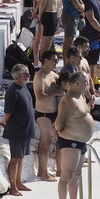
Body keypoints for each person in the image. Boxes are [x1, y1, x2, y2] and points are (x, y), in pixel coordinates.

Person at [54, 71, 95, 199]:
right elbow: (59, 123)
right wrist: (58, 130)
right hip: (70, 141)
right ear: (76, 83)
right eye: (85, 81)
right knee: (66, 176)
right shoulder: (68, 101)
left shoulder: (81, 97)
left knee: (76, 175)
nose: (87, 83)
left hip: (80, 142)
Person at [0, 65, 36, 196]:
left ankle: (18, 182)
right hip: (17, 130)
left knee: (21, 158)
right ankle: (13, 186)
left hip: (26, 129)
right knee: (15, 158)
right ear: (18, 75)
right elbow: (8, 112)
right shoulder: (12, 90)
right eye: (26, 74)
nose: (28, 76)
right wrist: (3, 122)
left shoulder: (24, 87)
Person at [33, 50, 63, 181]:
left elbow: (63, 87)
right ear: (45, 61)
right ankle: (43, 172)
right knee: (45, 143)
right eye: (54, 60)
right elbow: (40, 96)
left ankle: (49, 170)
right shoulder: (39, 76)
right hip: (43, 113)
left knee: (51, 142)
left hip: (53, 113)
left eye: (57, 61)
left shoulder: (54, 75)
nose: (56, 63)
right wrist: (55, 92)